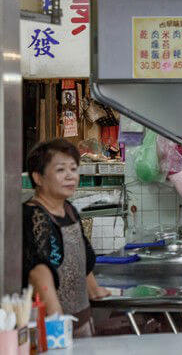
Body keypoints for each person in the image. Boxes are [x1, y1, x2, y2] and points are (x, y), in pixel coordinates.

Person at [23, 139, 110, 337]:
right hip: (53, 327)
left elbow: (80, 258)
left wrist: (94, 290)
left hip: (82, 320)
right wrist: (58, 325)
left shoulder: (69, 210)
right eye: (61, 170)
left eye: (73, 168)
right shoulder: (34, 215)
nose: (70, 176)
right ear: (38, 177)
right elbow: (40, 274)